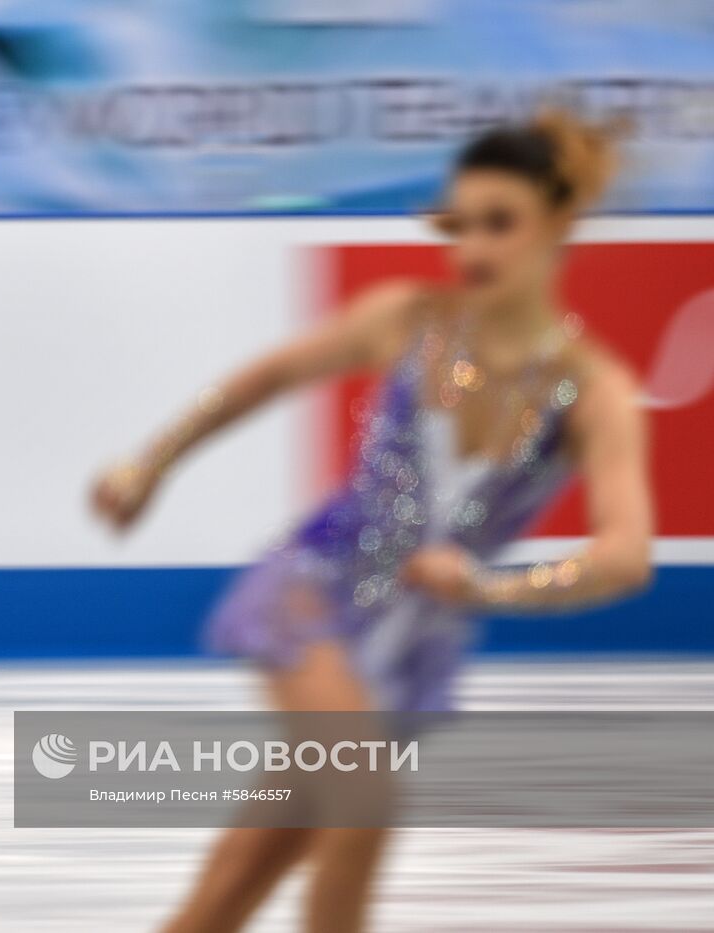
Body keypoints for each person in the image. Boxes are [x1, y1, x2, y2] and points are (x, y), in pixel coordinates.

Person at [90, 110, 656, 931]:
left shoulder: (596, 390)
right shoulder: (409, 319)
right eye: (463, 225)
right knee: (362, 791)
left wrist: (494, 588)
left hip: (407, 652)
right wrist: (152, 459)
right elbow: (264, 378)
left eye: (501, 224)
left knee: (228, 890)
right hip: (312, 591)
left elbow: (626, 556)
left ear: (557, 226)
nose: (475, 250)